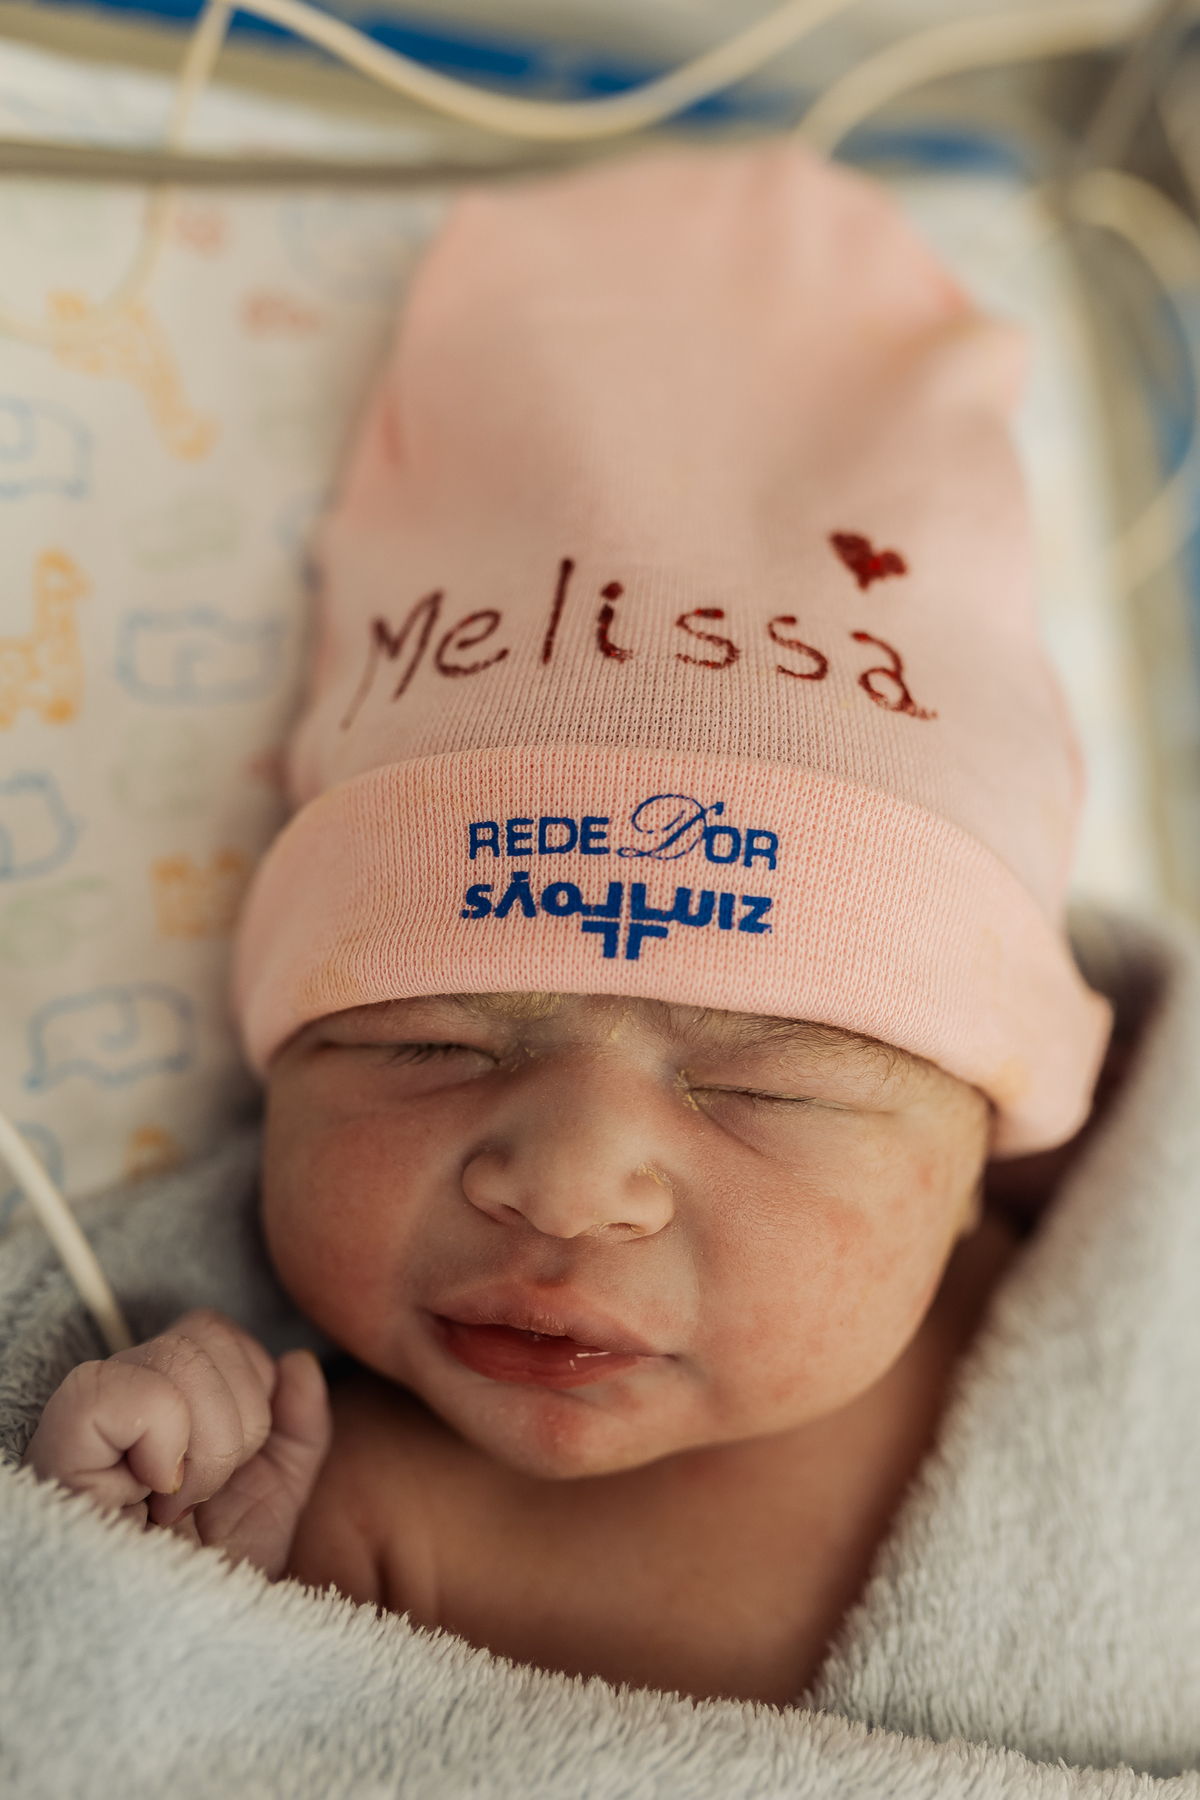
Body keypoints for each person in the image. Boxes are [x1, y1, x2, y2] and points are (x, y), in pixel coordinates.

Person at [18, 143, 1110, 1706]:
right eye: (427, 1046)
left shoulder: (1128, 1350)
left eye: (762, 1085)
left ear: (976, 1156)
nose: (570, 1184)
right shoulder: (324, 1511)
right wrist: (123, 1563)